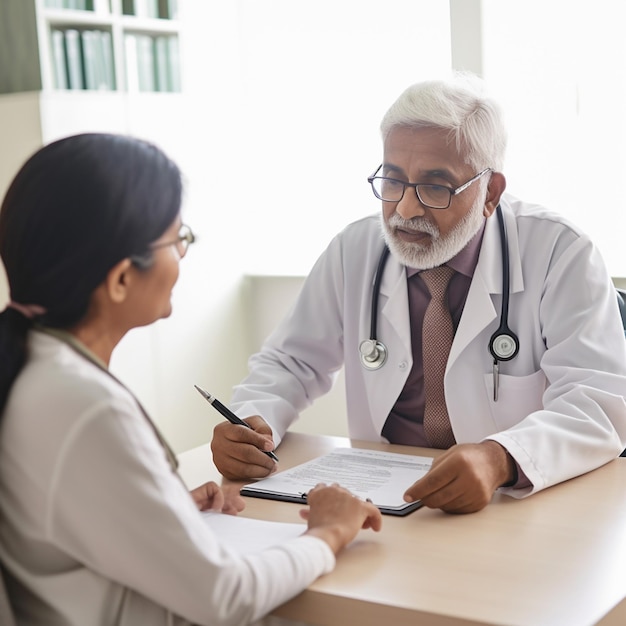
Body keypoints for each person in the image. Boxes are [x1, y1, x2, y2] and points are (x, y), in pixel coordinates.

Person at [0, 133, 382, 626]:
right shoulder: (83, 405)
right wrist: (329, 533)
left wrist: (159, 510)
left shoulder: (31, 367)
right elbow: (226, 596)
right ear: (120, 279)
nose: (182, 255)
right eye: (178, 239)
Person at [211, 73, 626, 514]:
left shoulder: (560, 252)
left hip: (520, 506)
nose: (405, 210)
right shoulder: (355, 250)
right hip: (386, 507)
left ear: (491, 192)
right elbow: (290, 362)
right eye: (392, 181)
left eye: (435, 186)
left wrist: (502, 458)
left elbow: (599, 401)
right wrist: (253, 422)